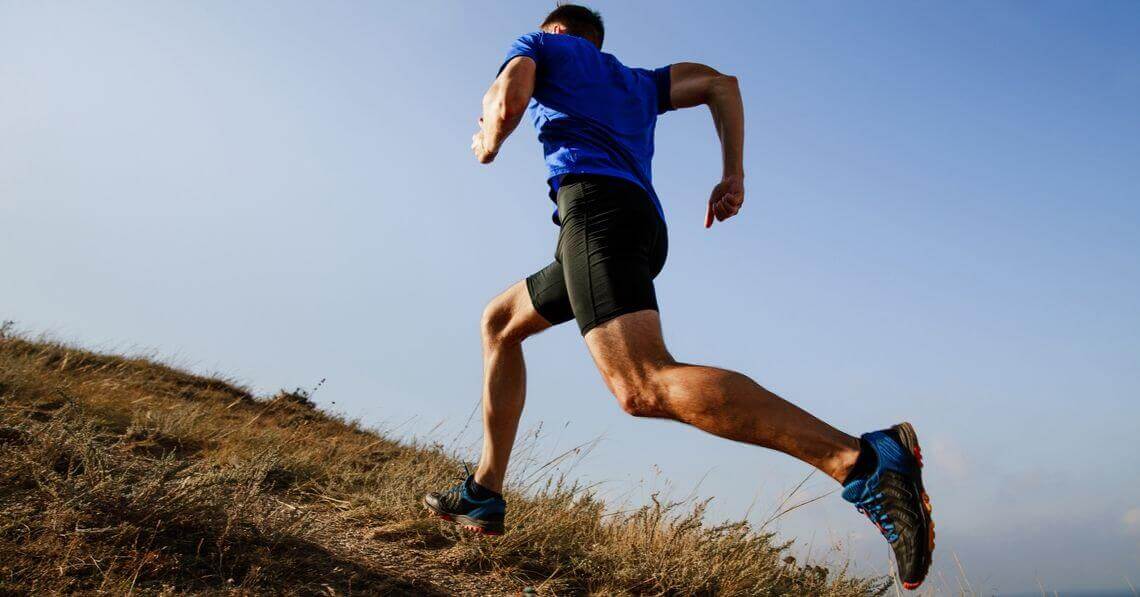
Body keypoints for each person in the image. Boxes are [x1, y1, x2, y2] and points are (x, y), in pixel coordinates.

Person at [422, 4, 934, 589]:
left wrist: (489, 135)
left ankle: (863, 462)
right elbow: (722, 84)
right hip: (634, 226)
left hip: (596, 218)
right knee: (500, 322)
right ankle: (485, 492)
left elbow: (507, 97)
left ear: (556, 30)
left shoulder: (542, 45)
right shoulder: (640, 82)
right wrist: (733, 173)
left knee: (641, 385)